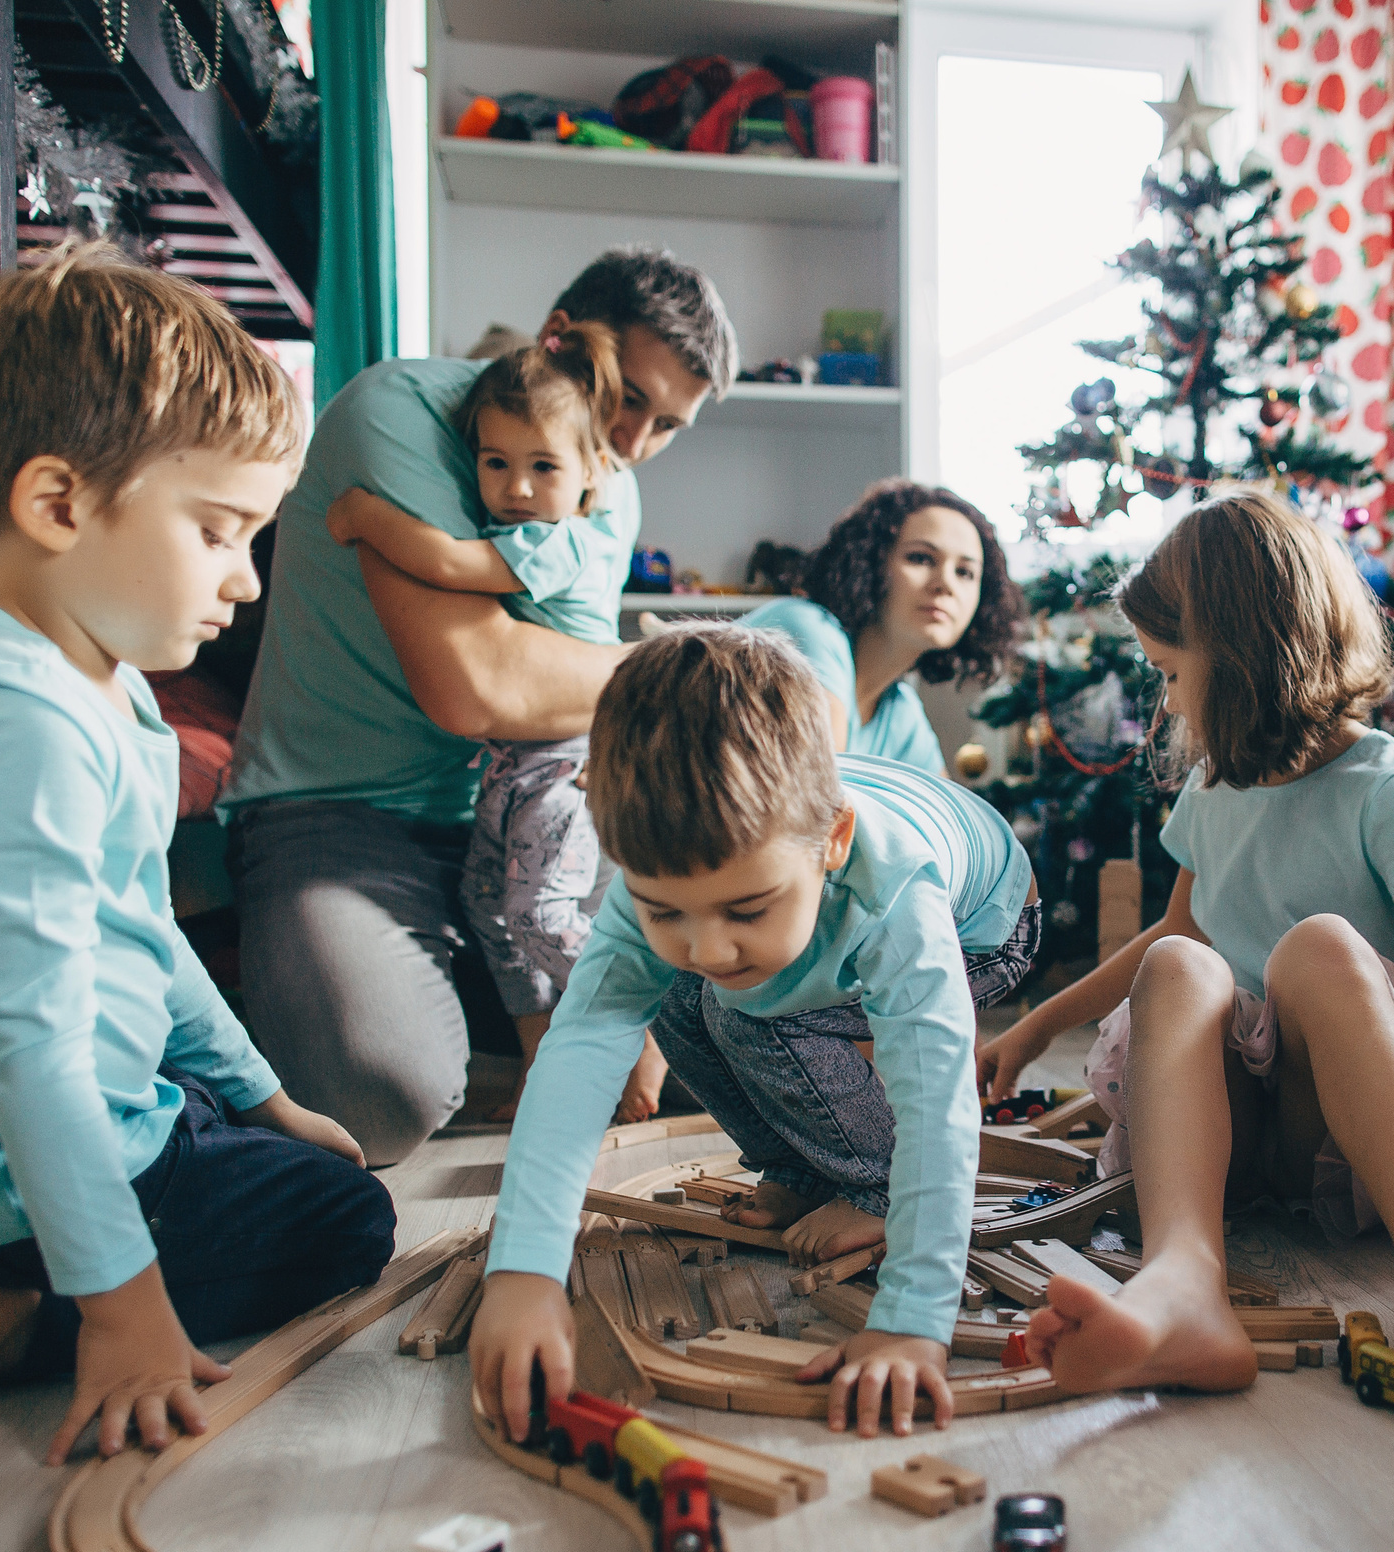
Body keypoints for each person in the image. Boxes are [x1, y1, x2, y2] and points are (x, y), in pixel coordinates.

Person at [0, 247, 394, 1459]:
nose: (244, 583)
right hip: (6, 1182)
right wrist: (122, 1307)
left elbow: (145, 937)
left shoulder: (49, 676)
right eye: (217, 532)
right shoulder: (25, 727)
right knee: (345, 1219)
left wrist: (266, 1096)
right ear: (58, 505)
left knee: (228, 1113)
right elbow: (32, 1046)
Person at [979, 490, 1394, 1471]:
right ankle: (1184, 1282)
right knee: (1180, 961)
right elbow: (1169, 936)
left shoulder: (1385, 791)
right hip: (1238, 1147)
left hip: (1356, 1134)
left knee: (1315, 949)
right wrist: (1031, 1030)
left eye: (1172, 674)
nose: (1167, 705)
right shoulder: (1212, 787)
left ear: (1238, 662)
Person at [218, 246, 735, 1165]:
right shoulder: (399, 412)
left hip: (531, 805)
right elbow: (481, 688)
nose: (635, 442)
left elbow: (567, 683)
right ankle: (419, 1028)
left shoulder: (607, 480)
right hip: (340, 808)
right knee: (375, 1099)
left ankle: (499, 1038)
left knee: (729, 1050)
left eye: (669, 425)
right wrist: (662, 670)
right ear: (560, 338)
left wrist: (635, 674)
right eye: (631, 399)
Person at [471, 627, 1038, 1441]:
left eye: (746, 909)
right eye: (665, 910)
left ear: (832, 841)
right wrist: (521, 1269)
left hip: (990, 921)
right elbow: (580, 1047)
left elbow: (939, 1098)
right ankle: (801, 1170)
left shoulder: (892, 890)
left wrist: (914, 1318)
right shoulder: (666, 873)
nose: (707, 944)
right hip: (838, 900)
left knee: (750, 1008)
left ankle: (869, 1185)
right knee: (688, 993)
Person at [324, 327, 665, 1121]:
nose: (515, 488)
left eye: (542, 467)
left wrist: (364, 515)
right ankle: (539, 1053)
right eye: (495, 463)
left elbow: (446, 563)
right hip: (515, 763)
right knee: (485, 899)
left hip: (571, 760)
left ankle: (646, 1021)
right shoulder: (524, 527)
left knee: (539, 910)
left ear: (588, 479)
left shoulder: (562, 542)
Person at [736, 480, 1023, 772]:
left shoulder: (900, 711)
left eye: (965, 572)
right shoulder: (805, 629)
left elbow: (943, 815)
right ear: (870, 564)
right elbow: (822, 810)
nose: (945, 584)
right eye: (921, 558)